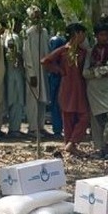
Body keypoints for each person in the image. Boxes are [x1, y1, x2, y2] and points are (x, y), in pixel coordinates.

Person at [41, 23, 89, 155]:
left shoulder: (82, 52)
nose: (84, 36)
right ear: (77, 34)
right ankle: (69, 144)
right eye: (82, 33)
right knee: (67, 117)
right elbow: (45, 61)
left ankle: (72, 142)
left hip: (79, 86)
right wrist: (59, 70)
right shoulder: (63, 50)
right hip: (67, 85)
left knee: (84, 116)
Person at [84, 22, 108, 157]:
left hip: (107, 88)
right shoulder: (90, 52)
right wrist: (101, 71)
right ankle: (101, 149)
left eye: (106, 35)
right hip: (93, 90)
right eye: (101, 35)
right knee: (97, 122)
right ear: (96, 36)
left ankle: (107, 143)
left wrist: (95, 71)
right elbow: (85, 73)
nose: (104, 37)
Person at [23, 7, 51, 136]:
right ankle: (33, 128)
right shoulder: (27, 33)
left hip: (43, 70)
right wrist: (31, 73)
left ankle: (41, 126)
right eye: (35, 16)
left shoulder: (44, 32)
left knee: (42, 99)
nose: (37, 18)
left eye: (39, 15)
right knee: (33, 99)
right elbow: (26, 54)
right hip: (33, 71)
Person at [4, 16, 26, 136]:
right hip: (14, 72)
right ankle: (14, 129)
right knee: (15, 100)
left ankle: (15, 127)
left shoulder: (9, 36)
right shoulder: (13, 37)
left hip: (12, 72)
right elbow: (15, 53)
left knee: (16, 100)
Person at [46, 27, 65, 136]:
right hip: (56, 77)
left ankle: (58, 128)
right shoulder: (58, 42)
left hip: (58, 77)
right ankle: (58, 128)